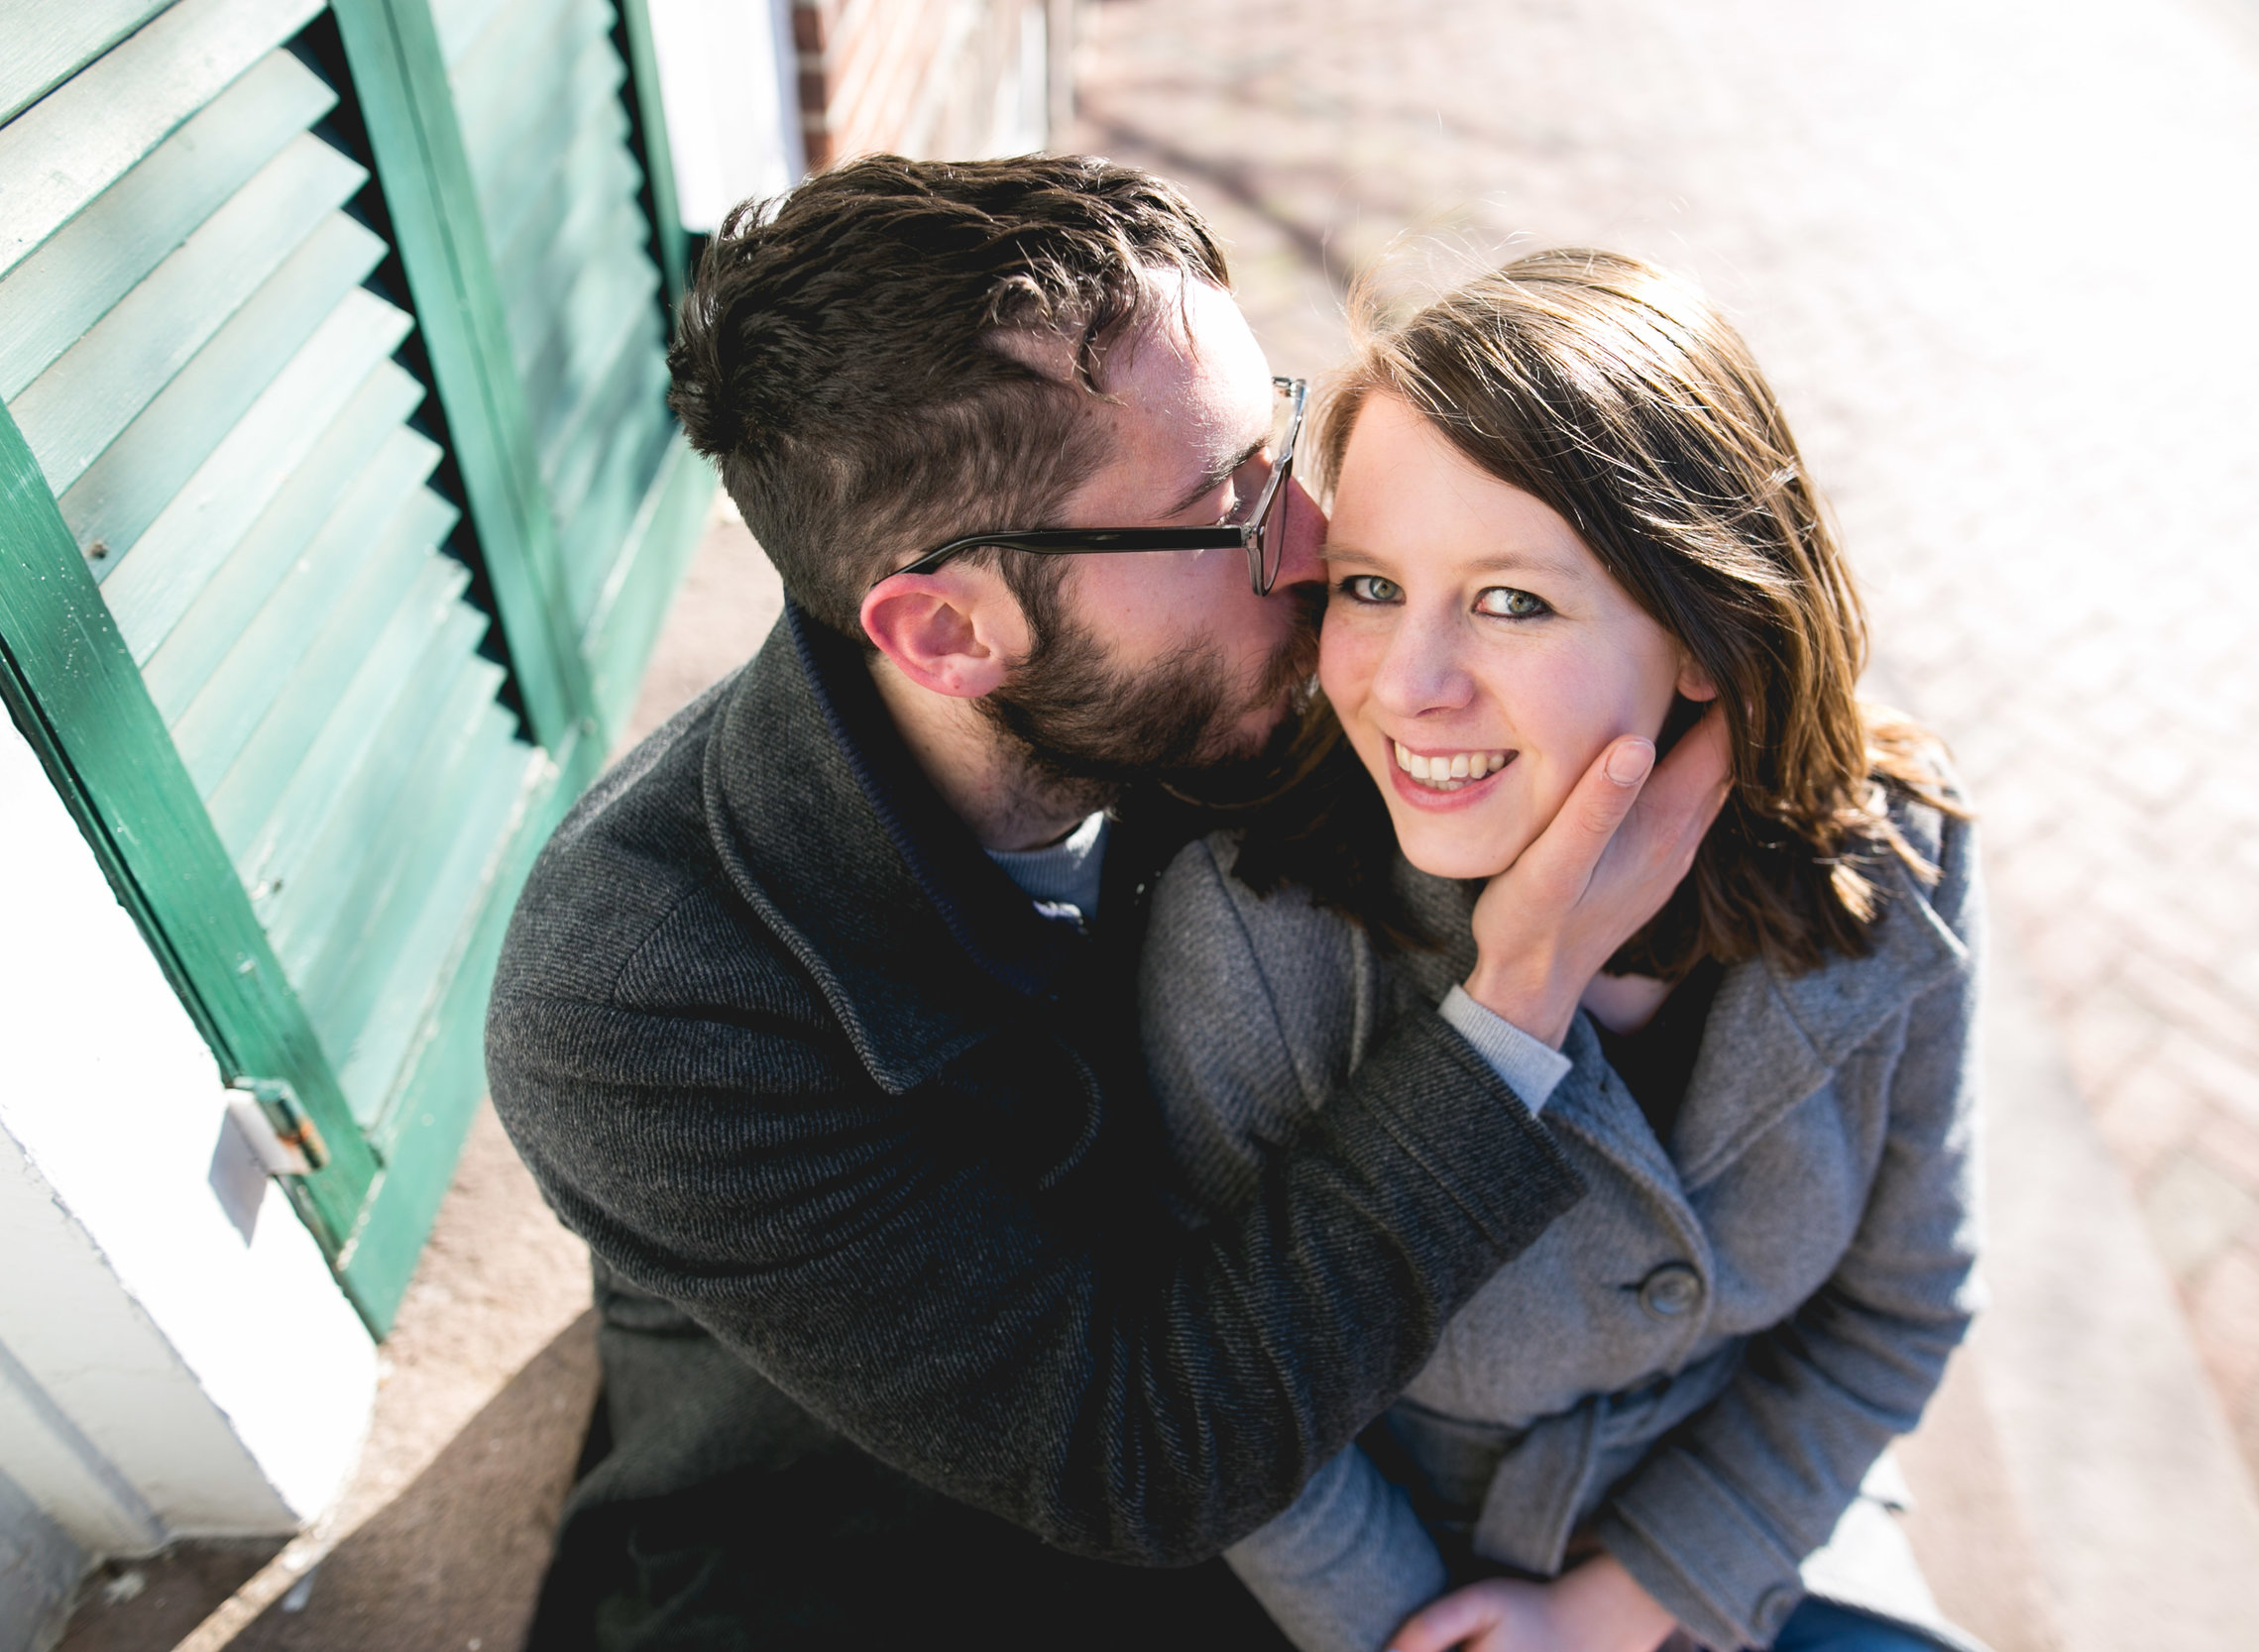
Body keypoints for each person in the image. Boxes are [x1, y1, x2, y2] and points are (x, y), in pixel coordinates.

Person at [485, 158, 1730, 1648]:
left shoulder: (1239, 684)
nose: (1318, 548)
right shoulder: (640, 1002)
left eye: (1280, 450)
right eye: (1229, 508)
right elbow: (1135, 1460)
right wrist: (1519, 997)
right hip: (894, 1551)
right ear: (948, 632)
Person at [1137, 251, 1983, 1652]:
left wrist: (1627, 1603)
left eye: (1512, 602)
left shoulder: (1894, 862)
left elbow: (1901, 1311)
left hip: (1759, 1542)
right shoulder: (1260, 932)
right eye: (1368, 586)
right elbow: (1243, 1415)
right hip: (1417, 1586)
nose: (1407, 684)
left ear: (1707, 635)